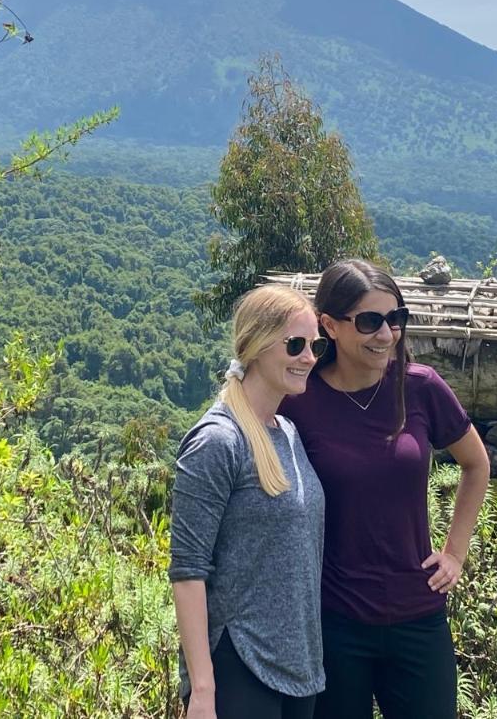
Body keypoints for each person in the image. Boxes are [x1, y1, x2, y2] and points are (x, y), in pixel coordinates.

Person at [281, 259, 490, 719]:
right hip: (335, 620)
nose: (386, 334)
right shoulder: (300, 399)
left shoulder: (420, 387)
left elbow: (476, 464)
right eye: (370, 321)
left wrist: (455, 553)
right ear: (329, 326)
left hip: (418, 613)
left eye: (395, 319)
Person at [169, 284, 329, 719]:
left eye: (315, 345)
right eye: (295, 345)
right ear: (256, 346)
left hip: (299, 667)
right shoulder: (218, 441)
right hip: (238, 666)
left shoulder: (287, 433)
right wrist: (202, 690)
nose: (309, 358)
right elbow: (187, 572)